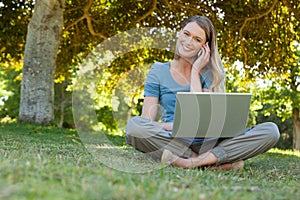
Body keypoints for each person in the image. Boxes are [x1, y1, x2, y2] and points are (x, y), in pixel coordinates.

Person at [125, 15, 280, 170]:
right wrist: (171, 126)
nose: (188, 42)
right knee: (135, 127)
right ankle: (209, 163)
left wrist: (195, 71)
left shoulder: (212, 72)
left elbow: (201, 119)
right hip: (175, 139)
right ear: (179, 33)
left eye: (197, 39)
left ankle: (189, 162)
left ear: (205, 46)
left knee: (271, 131)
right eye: (186, 34)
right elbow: (147, 121)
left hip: (210, 141)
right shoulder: (158, 70)